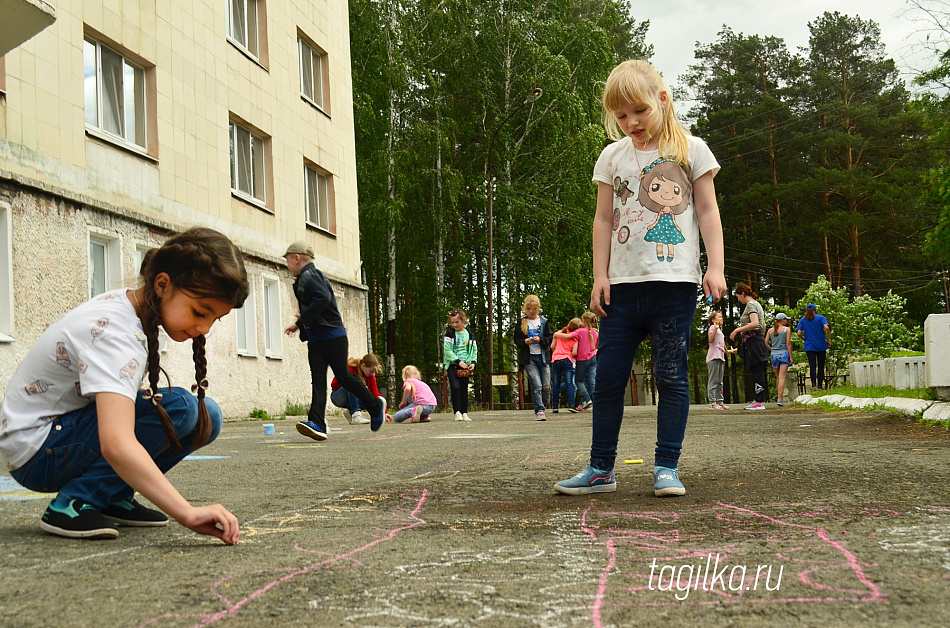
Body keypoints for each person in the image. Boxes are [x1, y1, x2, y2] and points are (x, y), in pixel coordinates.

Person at [0, 227, 248, 541]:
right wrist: (187, 512)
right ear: (162, 284)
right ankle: (74, 503)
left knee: (205, 415)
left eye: (215, 319)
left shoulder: (132, 309)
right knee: (183, 409)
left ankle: (112, 495)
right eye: (200, 312)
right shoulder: (116, 334)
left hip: (56, 438)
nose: (203, 328)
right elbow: (116, 442)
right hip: (38, 451)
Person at [555, 59, 726, 497]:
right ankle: (600, 469)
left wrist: (716, 266)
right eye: (621, 115)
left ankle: (666, 466)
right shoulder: (612, 156)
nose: (631, 122)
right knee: (608, 378)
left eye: (639, 111)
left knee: (671, 375)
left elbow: (707, 210)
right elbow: (602, 219)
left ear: (662, 100)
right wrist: (599, 275)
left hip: (674, 286)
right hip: (622, 289)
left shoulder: (691, 149)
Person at [283, 242, 385, 439]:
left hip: (332, 337)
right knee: (318, 381)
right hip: (317, 339)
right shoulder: (306, 277)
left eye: (288, 259)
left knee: (344, 376)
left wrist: (299, 322)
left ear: (297, 258)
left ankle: (374, 406)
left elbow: (322, 298)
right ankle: (318, 423)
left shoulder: (310, 276)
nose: (287, 264)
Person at [513, 295, 553, 421]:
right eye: (529, 309)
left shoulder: (544, 322)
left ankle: (544, 404)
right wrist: (524, 342)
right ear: (525, 308)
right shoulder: (521, 322)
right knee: (537, 385)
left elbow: (550, 338)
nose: (531, 311)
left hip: (543, 357)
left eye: (534, 309)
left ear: (538, 308)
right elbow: (516, 339)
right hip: (529, 358)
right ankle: (539, 410)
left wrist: (540, 340)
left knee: (546, 386)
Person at [729, 283, 769, 410]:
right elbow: (763, 326)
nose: (738, 300)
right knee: (757, 370)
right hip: (757, 340)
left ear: (743, 294)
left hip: (753, 340)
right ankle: (758, 399)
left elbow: (755, 323)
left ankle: (759, 401)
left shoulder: (751, 305)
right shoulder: (757, 304)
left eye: (738, 297)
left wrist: (737, 330)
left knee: (756, 370)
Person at [444, 309, 477, 421]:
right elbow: (447, 350)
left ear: (463, 321)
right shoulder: (450, 334)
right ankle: (457, 411)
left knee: (464, 388)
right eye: (452, 323)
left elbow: (474, 350)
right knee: (455, 387)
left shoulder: (471, 335)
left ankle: (464, 412)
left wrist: (473, 362)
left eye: (457, 322)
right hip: (453, 365)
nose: (454, 325)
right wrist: (458, 361)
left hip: (466, 366)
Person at [329, 354, 381, 425]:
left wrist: (382, 412)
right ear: (363, 365)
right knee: (353, 384)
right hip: (337, 396)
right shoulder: (350, 369)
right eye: (371, 371)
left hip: (349, 398)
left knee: (370, 399)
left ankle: (350, 411)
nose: (372, 374)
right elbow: (334, 385)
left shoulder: (370, 376)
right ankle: (356, 414)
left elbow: (375, 394)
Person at [565, 311, 599, 410]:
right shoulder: (595, 332)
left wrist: (556, 335)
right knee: (592, 382)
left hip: (582, 360)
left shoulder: (580, 331)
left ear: (583, 320)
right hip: (593, 358)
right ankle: (590, 403)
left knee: (579, 381)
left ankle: (587, 400)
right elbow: (596, 345)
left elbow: (568, 336)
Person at [796, 303, 831, 390]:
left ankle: (813, 385)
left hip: (809, 346)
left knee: (812, 365)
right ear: (816, 310)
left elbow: (798, 333)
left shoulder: (803, 320)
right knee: (821, 365)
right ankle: (820, 385)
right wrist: (828, 340)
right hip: (821, 345)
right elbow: (826, 328)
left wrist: (804, 339)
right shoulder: (820, 318)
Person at [551, 318, 582, 414]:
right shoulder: (575, 338)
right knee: (569, 383)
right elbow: (574, 352)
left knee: (556, 383)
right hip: (567, 359)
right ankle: (571, 405)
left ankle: (555, 406)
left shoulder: (559, 332)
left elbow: (552, 346)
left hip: (556, 359)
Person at [706, 311, 735, 410]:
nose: (722, 318)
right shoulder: (712, 328)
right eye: (719, 317)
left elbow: (722, 343)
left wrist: (728, 351)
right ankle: (712, 402)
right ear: (713, 320)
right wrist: (714, 327)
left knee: (719, 381)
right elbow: (710, 339)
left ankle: (720, 401)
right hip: (713, 357)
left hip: (720, 357)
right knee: (713, 380)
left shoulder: (719, 330)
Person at [767, 313, 794, 406]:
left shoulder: (770, 330)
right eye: (786, 319)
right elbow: (788, 343)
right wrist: (790, 356)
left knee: (778, 377)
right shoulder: (787, 330)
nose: (787, 321)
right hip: (783, 354)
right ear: (782, 320)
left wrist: (772, 349)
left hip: (774, 355)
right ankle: (780, 399)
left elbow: (765, 343)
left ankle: (779, 397)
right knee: (782, 377)